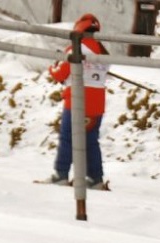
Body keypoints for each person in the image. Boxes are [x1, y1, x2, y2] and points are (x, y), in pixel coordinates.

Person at [48, 13, 110, 189]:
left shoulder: (76, 48)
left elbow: (60, 74)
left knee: (68, 138)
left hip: (77, 98)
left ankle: (61, 174)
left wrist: (53, 65)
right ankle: (96, 178)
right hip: (97, 102)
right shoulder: (102, 51)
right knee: (91, 140)